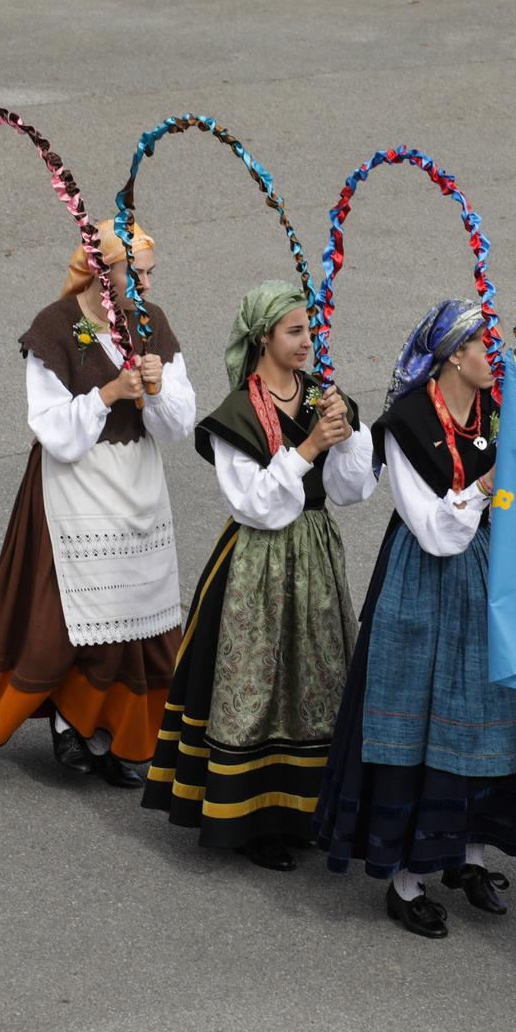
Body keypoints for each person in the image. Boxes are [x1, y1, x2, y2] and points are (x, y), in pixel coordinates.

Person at [0, 225, 194, 788]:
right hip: (72, 490)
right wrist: (107, 395)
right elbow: (51, 427)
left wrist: (157, 391)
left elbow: (178, 424)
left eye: (151, 272)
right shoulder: (57, 328)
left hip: (137, 488)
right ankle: (68, 721)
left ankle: (118, 727)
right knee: (64, 621)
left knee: (135, 616)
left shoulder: (150, 323)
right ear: (104, 271)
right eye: (138, 272)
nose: (147, 284)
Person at [312, 300, 516, 939]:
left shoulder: (495, 409)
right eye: (486, 344)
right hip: (425, 579)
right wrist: (489, 487)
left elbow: (513, 491)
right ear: (455, 354)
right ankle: (406, 880)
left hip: (486, 572)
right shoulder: (407, 422)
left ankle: (469, 856)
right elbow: (434, 528)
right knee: (421, 719)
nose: (498, 354)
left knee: (488, 709)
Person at [142, 281, 375, 869]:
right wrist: (309, 448)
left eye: (309, 330)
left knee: (316, 679)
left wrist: (344, 441)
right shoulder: (238, 413)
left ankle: (307, 810)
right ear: (263, 337)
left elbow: (351, 490)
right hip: (259, 562)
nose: (306, 342)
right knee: (259, 685)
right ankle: (254, 821)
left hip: (317, 554)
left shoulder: (324, 395)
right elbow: (256, 505)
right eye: (294, 332)